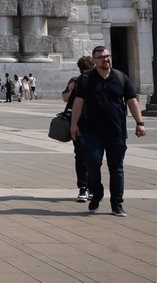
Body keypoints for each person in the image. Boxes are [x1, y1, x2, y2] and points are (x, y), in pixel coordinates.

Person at [70, 46, 146, 217]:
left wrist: (139, 122)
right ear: (94, 60)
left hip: (116, 131)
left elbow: (131, 100)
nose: (106, 59)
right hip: (92, 131)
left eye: (107, 56)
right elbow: (78, 103)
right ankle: (96, 195)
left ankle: (117, 203)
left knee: (117, 169)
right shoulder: (86, 78)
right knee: (92, 165)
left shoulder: (120, 77)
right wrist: (73, 124)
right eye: (101, 57)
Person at [62, 55, 95, 202]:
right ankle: (84, 187)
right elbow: (65, 98)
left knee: (91, 156)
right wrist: (70, 89)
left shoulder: (98, 80)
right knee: (81, 154)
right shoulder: (75, 81)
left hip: (93, 122)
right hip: (80, 122)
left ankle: (90, 187)